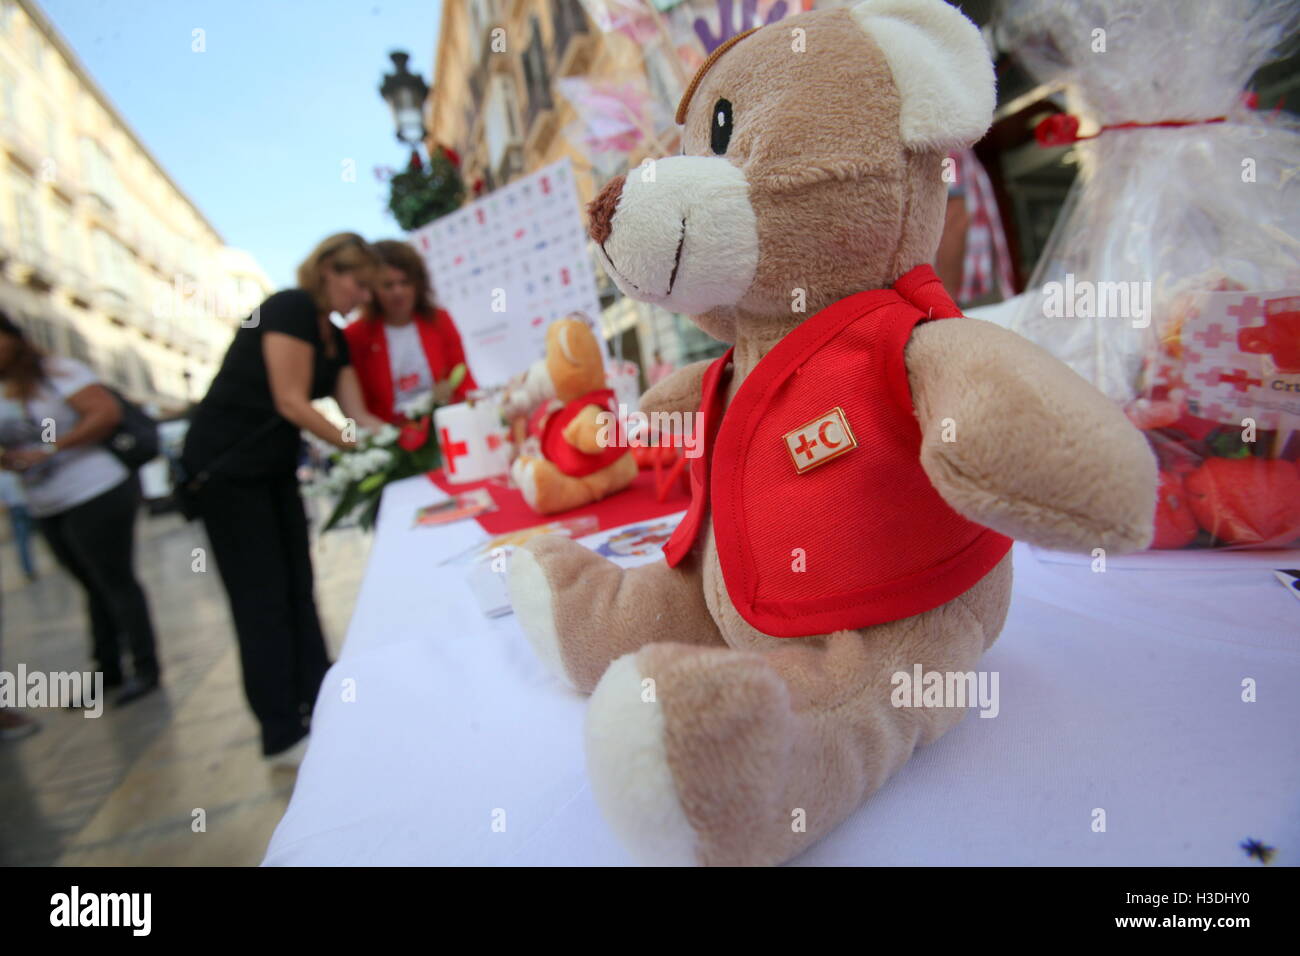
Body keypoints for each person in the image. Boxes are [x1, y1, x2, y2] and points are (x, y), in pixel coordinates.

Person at [181, 233, 386, 768]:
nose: (361, 295)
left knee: (298, 583)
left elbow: (358, 416)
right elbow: (292, 401)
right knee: (260, 596)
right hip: (225, 469)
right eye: (357, 282)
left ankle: (319, 700)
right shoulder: (289, 308)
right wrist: (357, 449)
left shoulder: (333, 337)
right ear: (326, 272)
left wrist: (395, 440)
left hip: (273, 471)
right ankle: (278, 731)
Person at [0, 311, 161, 706]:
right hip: (44, 500)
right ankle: (107, 669)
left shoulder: (55, 370)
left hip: (95, 489)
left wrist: (52, 448)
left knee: (115, 580)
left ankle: (145, 667)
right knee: (90, 584)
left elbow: (105, 412)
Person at [344, 239, 477, 424]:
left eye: (405, 282)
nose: (398, 291)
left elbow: (462, 377)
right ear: (371, 290)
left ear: (418, 284)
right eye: (388, 285)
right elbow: (358, 407)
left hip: (446, 422)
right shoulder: (356, 335)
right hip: (390, 436)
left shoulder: (438, 319)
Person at [0, 470, 36, 581]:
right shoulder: (13, 473)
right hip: (27, 504)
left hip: (15, 508)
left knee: (22, 541)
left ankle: (28, 570)